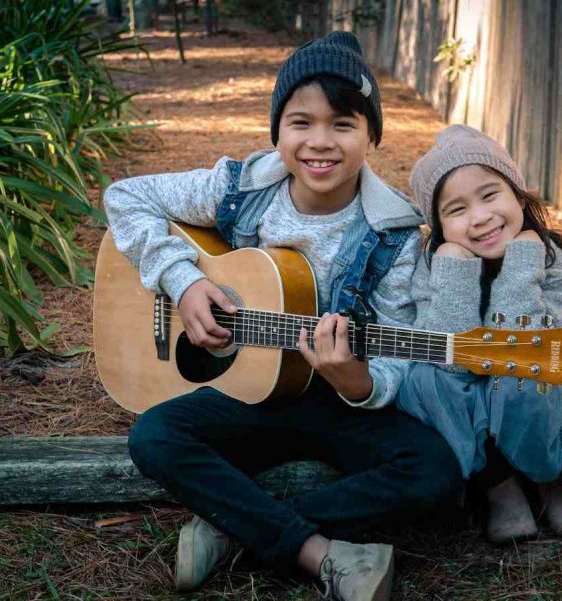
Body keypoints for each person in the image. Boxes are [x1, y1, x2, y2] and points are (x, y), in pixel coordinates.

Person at [103, 32, 462, 600]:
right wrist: (186, 281)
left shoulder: (395, 237)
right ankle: (317, 552)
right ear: (277, 132)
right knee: (154, 436)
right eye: (301, 122)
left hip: (330, 402)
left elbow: (397, 348)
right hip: (247, 394)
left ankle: (231, 531)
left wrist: (358, 380)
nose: (321, 142)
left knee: (437, 473)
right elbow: (125, 196)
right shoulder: (240, 188)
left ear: (371, 134)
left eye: (343, 124)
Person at [397, 124, 562, 544]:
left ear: (517, 194)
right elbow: (445, 355)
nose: (480, 217)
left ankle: (553, 481)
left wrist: (522, 262)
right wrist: (454, 268)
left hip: (540, 405)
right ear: (437, 226)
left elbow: (531, 349)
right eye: (456, 210)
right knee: (421, 377)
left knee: (519, 367)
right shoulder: (433, 266)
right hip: (474, 414)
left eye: (490, 195)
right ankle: (500, 487)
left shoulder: (552, 259)